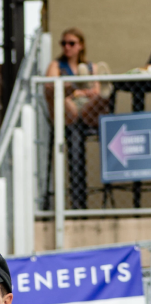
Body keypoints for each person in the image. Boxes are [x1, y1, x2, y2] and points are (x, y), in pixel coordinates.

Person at [45, 29, 104, 210]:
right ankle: (76, 84)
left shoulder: (91, 66)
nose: (67, 47)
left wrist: (87, 92)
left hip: (86, 111)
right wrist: (76, 89)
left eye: (71, 43)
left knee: (101, 97)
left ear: (81, 45)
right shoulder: (56, 65)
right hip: (66, 112)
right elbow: (50, 87)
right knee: (62, 97)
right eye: (64, 43)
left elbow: (96, 91)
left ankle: (104, 93)